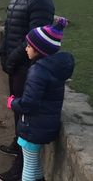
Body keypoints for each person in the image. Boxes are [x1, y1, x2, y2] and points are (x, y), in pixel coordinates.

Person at [0, 0, 55, 181]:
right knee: (17, 110)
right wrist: (3, 53)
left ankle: (21, 167)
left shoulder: (41, 1)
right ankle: (16, 144)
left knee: (25, 117)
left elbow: (35, 39)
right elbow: (10, 27)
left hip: (27, 66)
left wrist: (12, 59)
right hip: (15, 64)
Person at [7, 17, 74, 181]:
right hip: (44, 125)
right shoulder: (53, 68)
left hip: (33, 127)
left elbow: (29, 103)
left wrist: (13, 103)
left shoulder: (38, 71)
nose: (26, 49)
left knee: (28, 170)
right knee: (35, 165)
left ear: (39, 49)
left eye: (29, 46)